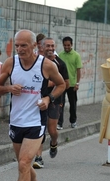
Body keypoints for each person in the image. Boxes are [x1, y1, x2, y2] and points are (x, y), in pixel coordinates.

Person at [0, 30, 65, 181]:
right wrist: (8, 89)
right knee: (23, 165)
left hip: (35, 121)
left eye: (24, 45)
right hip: (16, 122)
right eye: (17, 45)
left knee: (24, 163)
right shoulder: (11, 63)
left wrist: (48, 98)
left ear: (34, 46)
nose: (19, 49)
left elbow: (61, 84)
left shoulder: (46, 65)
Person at [33, 37, 69, 169]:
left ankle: (54, 142)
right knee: (39, 129)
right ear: (41, 47)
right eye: (47, 46)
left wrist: (52, 84)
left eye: (52, 46)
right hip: (37, 100)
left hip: (54, 100)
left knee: (52, 130)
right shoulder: (35, 61)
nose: (50, 48)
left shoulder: (60, 64)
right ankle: (39, 157)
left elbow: (66, 83)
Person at [58, 36, 82, 129]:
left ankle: (73, 121)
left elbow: (78, 70)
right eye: (65, 45)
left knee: (73, 104)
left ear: (71, 45)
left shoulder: (76, 55)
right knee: (60, 104)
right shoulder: (60, 55)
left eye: (68, 45)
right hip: (62, 84)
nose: (66, 47)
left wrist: (77, 83)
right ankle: (59, 123)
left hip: (72, 84)